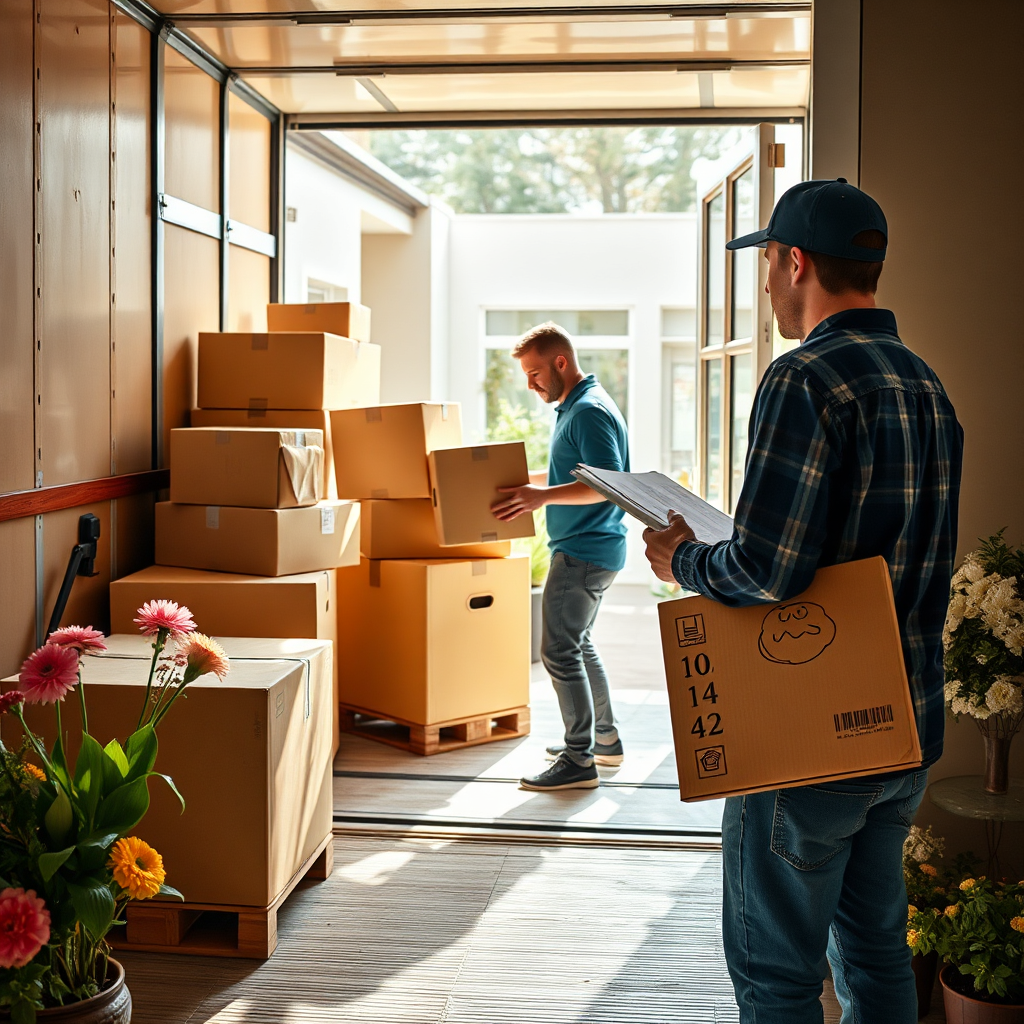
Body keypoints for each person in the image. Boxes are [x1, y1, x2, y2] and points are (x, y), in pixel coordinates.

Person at [642, 179, 963, 1023]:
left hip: (813, 745)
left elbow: (767, 572)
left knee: (777, 978)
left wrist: (684, 558)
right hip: (904, 734)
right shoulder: (927, 385)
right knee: (877, 958)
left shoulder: (805, 379)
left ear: (794, 263)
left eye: (767, 265)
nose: (765, 286)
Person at [491, 322, 630, 792]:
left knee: (558, 651)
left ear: (560, 363)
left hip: (583, 552)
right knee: (579, 645)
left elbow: (605, 484)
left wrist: (541, 498)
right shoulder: (577, 406)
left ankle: (578, 760)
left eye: (534, 374)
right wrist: (531, 485)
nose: (531, 385)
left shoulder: (588, 411)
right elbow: (576, 474)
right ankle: (604, 741)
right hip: (592, 549)